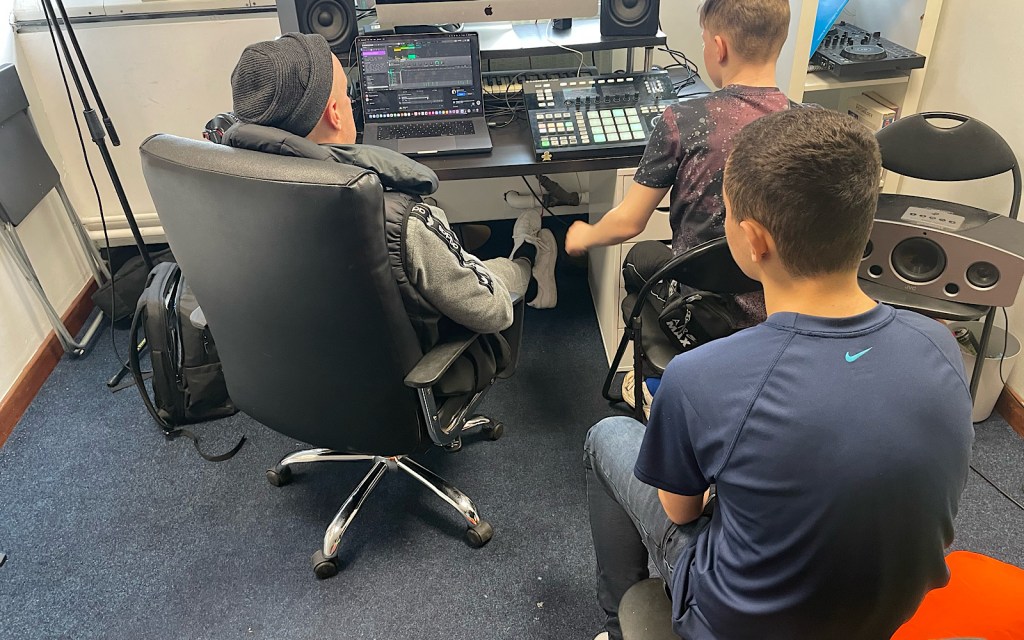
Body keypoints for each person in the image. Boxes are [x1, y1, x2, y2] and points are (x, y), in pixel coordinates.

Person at [584, 108, 975, 640]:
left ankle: (618, 623)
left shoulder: (699, 377)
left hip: (735, 626)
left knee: (606, 436)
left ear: (753, 239)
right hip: (885, 616)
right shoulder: (939, 344)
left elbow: (680, 512)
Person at [225, 33, 558, 354]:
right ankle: (527, 257)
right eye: (347, 95)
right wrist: (508, 270)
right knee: (495, 284)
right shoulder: (398, 219)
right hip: (404, 381)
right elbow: (492, 313)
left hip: (290, 375)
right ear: (337, 114)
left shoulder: (225, 196)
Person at [564, 0, 793, 412]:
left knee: (640, 259)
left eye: (704, 40)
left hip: (701, 298)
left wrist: (586, 235)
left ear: (718, 47)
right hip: (775, 305)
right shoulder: (805, 123)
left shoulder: (683, 119)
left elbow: (628, 222)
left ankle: (653, 382)